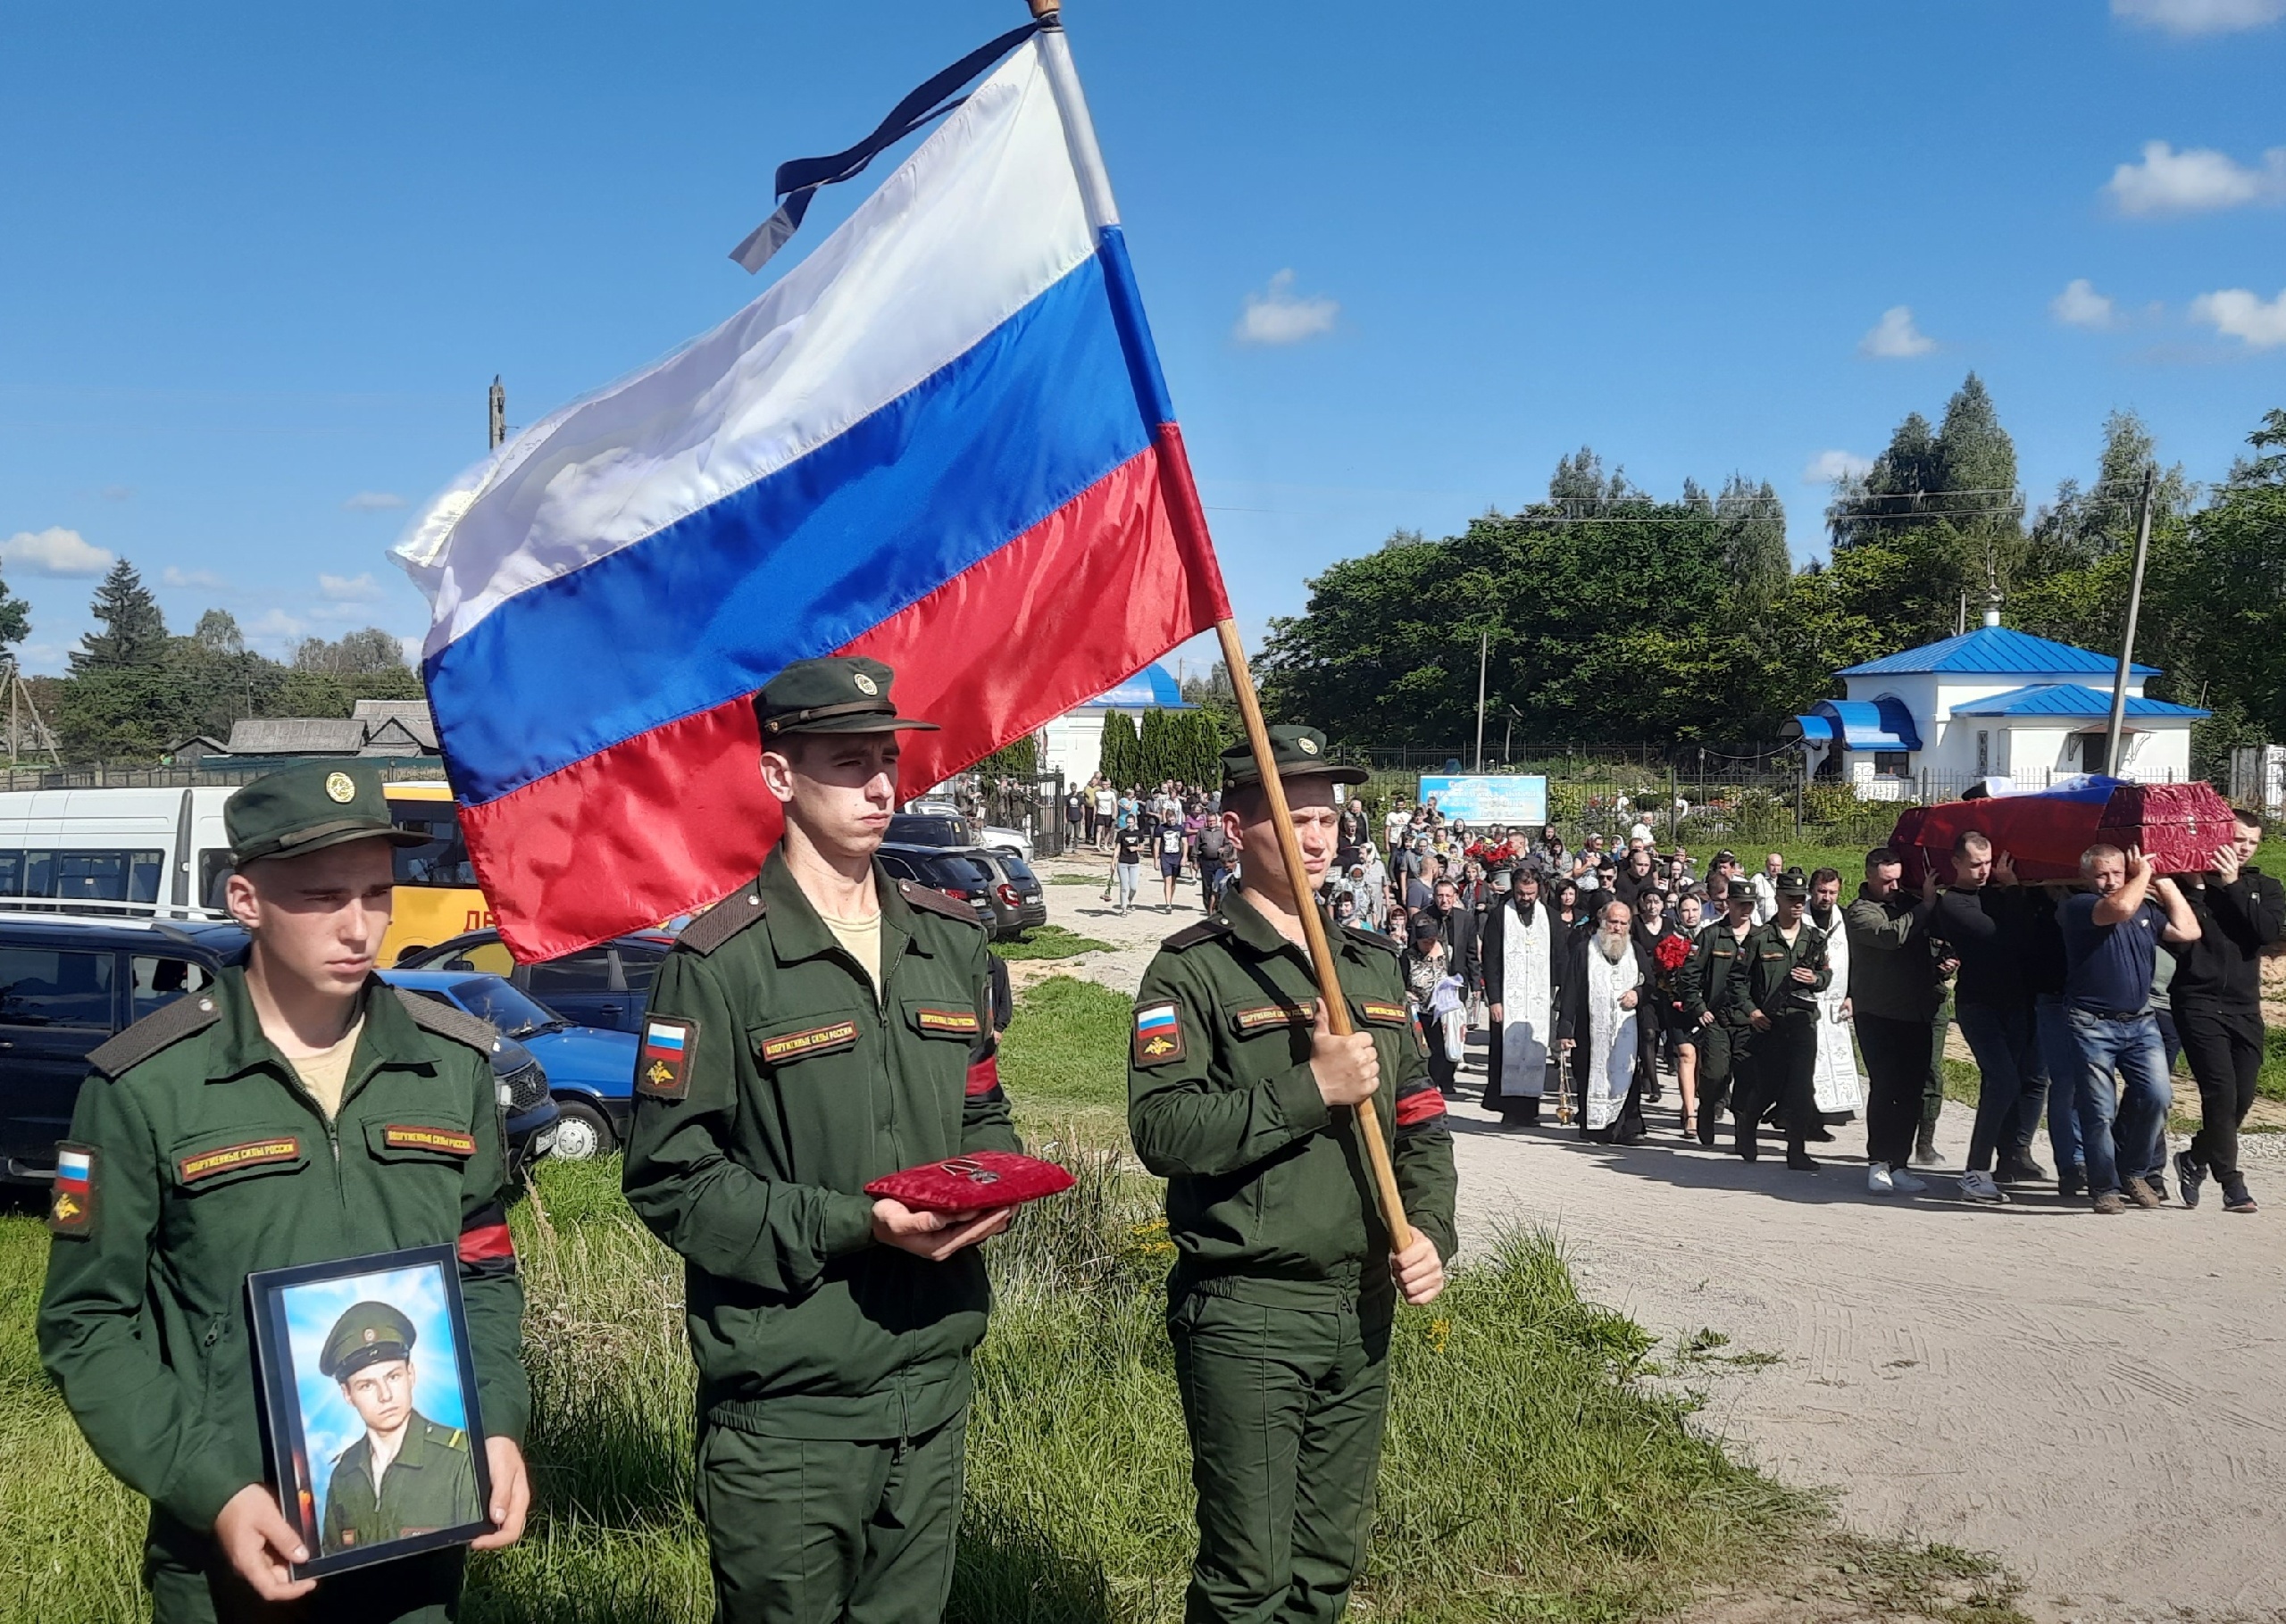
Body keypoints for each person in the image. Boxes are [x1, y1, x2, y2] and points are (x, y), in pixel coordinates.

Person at [38, 763, 530, 1622]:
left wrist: (497, 1423)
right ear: (244, 899)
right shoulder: (146, 1085)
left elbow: (483, 1270)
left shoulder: (450, 1066)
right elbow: (86, 1322)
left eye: (377, 892)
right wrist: (212, 1489)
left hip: (417, 1546)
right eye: (320, 896)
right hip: (235, 1549)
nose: (358, 926)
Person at [621, 656, 1019, 1623]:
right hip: (788, 1410)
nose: (882, 785)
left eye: (887, 758)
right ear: (777, 775)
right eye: (849, 761)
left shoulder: (948, 941)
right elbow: (671, 1177)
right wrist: (856, 1222)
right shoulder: (719, 963)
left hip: (930, 1386)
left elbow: (983, 1116)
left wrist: (992, 1192)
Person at [1128, 726, 1456, 1624]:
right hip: (1249, 1309)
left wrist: (1429, 1230)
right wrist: (1308, 1087)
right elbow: (1162, 1128)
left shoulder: (1370, 962)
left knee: (1323, 1572)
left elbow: (1419, 1118)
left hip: (1361, 1305)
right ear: (1235, 826)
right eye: (1292, 816)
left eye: (1327, 816)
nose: (1318, 837)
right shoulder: (1190, 969)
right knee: (1247, 1578)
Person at [2060, 845, 2198, 1216]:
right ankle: (2104, 1187)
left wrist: (2164, 882)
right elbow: (2118, 908)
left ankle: (2134, 1172)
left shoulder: (2146, 910)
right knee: (2099, 1111)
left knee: (2157, 1097)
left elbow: (2188, 930)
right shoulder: (2079, 907)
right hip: (2091, 1025)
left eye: (2116, 873)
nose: (2109, 881)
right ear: (2086, 876)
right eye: (2102, 874)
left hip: (2141, 1023)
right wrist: (2141, 876)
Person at [2171, 809, 2283, 1212]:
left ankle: (2195, 1157)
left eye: (2251, 843)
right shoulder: (2191, 885)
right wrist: (2198, 893)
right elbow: (2183, 942)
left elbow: (2267, 933)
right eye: (2237, 839)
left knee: (2242, 1098)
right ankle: (2232, 1184)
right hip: (2197, 1001)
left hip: (2244, 1006)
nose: (2243, 848)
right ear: (2219, 835)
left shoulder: (2265, 887)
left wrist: (2235, 885)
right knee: (2219, 1093)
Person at [1931, 832, 2044, 1203]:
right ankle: (1975, 1172)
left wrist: (2013, 891)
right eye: (1975, 864)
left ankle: (2010, 1159)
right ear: (1957, 864)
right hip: (1979, 1006)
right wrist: (2013, 891)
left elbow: (2029, 935)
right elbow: (2004, 938)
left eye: (1987, 863)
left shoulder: (1994, 893)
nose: (1983, 871)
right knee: (2003, 1081)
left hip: (2015, 1003)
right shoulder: (1955, 904)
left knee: (2018, 1082)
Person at [318, 1302, 481, 1556]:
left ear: (411, 1375)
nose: (385, 1395)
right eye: (367, 1385)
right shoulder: (344, 1474)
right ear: (347, 1395)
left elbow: (478, 1568)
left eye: (393, 1377)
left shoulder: (459, 1459)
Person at [1846, 850, 1939, 1195]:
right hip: (1878, 1014)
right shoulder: (1860, 912)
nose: (1894, 886)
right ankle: (1878, 1163)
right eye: (1887, 881)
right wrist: (1926, 906)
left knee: (1913, 1091)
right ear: (1869, 876)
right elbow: (1891, 936)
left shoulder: (1906, 903)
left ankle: (1900, 1162)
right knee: (1885, 1088)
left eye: (1898, 879)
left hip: (1916, 1012)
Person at [1733, 869, 1831, 1170]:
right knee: (1769, 1086)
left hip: (1802, 1023)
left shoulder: (1814, 938)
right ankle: (1748, 1123)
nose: (1797, 904)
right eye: (1791, 899)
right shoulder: (1759, 938)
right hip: (1770, 1023)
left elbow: (1826, 975)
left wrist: (1815, 978)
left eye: (1801, 899)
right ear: (1777, 898)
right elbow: (1737, 980)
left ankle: (1796, 1151)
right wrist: (1752, 1011)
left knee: (1801, 1088)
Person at [1557, 898, 1648, 1144]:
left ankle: (1626, 1129)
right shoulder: (1584, 951)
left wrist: (1637, 995)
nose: (1617, 927)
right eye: (1613, 922)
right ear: (1603, 922)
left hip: (1626, 1031)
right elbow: (1570, 991)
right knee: (1590, 1074)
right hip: (1590, 1031)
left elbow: (1650, 986)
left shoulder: (1636, 952)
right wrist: (1565, 1029)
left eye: (1623, 923)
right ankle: (1594, 1126)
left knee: (1627, 1077)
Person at [1680, 879, 1760, 1148]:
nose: (1745, 910)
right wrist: (1698, 1008)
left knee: (1748, 1079)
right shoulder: (1712, 935)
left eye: (1750, 904)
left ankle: (1745, 1133)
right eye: (1740, 904)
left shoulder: (1761, 937)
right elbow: (1688, 976)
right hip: (1717, 1020)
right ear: (1729, 904)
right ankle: (1706, 1109)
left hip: (1749, 1022)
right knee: (1715, 1074)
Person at [1481, 869, 1564, 1125]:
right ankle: (1508, 1110)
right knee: (1507, 1052)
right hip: (1508, 999)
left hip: (1539, 999)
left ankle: (1529, 1111)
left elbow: (1561, 957)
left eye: (1530, 893)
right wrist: (1494, 999)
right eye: (1520, 893)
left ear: (1538, 889)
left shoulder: (1550, 918)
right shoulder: (1499, 916)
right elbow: (1491, 960)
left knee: (1535, 1050)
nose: (1525, 898)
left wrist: (1558, 995)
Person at [1805, 868, 1865, 1127]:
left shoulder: (1844, 921)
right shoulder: (1799, 918)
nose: (1827, 898)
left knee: (1834, 1055)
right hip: (1805, 1002)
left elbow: (1857, 960)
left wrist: (1852, 994)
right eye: (1822, 891)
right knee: (1806, 1059)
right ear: (1811, 891)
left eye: (1832, 892)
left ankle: (1833, 1111)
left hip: (1836, 1002)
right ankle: (1805, 1114)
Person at [1401, 912, 1462, 1095]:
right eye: (1425, 942)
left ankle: (1445, 1081)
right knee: (1425, 1048)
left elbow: (1457, 972)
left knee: (1445, 1046)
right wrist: (1407, 994)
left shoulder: (1447, 951)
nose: (1429, 945)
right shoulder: (1408, 956)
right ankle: (1428, 1082)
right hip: (1419, 1009)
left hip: (1444, 1008)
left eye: (1432, 941)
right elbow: (1401, 982)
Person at [1195, 806, 1234, 911]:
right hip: (1206, 861)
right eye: (1209, 821)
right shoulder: (1202, 832)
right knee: (1207, 885)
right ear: (1206, 821)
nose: (1211, 823)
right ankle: (1208, 907)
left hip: (1218, 861)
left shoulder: (1221, 831)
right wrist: (1195, 861)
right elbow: (1196, 847)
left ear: (1216, 821)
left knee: (1219, 883)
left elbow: (1229, 844)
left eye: (1213, 821)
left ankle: (1218, 906)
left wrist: (1224, 848)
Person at [1156, 812, 1189, 912]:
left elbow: (1184, 843)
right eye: (1169, 820)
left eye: (1173, 820)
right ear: (1166, 819)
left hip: (1177, 857)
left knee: (1173, 881)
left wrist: (1184, 857)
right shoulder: (1160, 829)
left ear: (1176, 818)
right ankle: (1168, 904)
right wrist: (1156, 859)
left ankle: (1170, 899)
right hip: (1165, 856)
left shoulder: (1180, 829)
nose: (1171, 822)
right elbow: (1156, 844)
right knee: (1167, 880)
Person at [1114, 820, 1146, 913]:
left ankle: (1131, 900)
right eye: (1128, 822)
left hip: (1134, 863)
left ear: (1134, 823)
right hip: (1123, 862)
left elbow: (1142, 848)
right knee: (1124, 886)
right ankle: (1123, 908)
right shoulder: (1121, 833)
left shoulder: (1139, 833)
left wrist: (1136, 848)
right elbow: (1117, 848)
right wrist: (1113, 861)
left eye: (1131, 823)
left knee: (1133, 887)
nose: (1129, 824)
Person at [1748, 852, 1785, 926]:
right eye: (1772, 865)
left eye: (1778, 866)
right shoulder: (1757, 879)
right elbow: (1749, 902)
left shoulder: (1786, 881)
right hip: (1762, 926)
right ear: (1766, 864)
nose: (1775, 869)